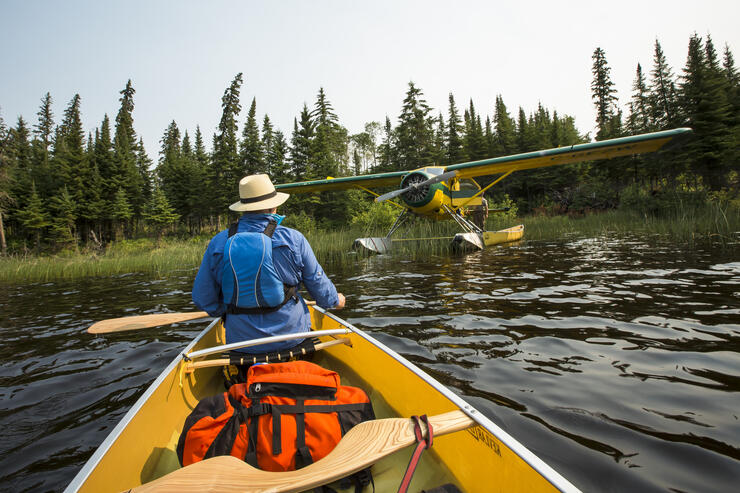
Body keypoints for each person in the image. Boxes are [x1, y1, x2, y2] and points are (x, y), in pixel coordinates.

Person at [192, 173, 345, 370]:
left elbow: (203, 298)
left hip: (242, 345)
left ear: (244, 209)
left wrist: (228, 311)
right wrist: (335, 300)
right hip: (292, 340)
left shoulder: (219, 242)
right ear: (274, 207)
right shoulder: (293, 239)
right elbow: (319, 287)